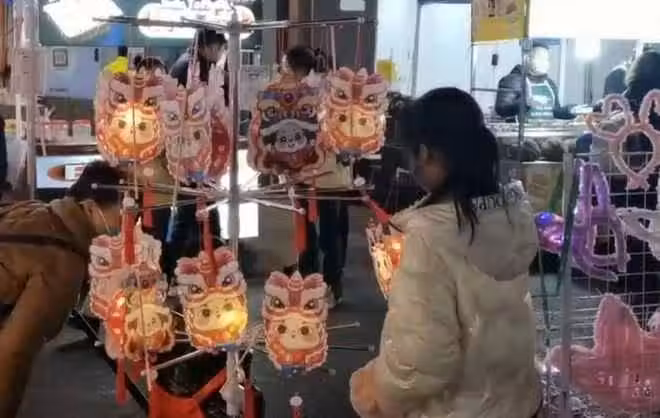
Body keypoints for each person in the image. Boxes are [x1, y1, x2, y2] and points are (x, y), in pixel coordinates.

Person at [350, 88, 541, 418]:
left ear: (424, 153)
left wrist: (375, 392)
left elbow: (421, 360)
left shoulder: (430, 236)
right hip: (520, 403)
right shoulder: (512, 216)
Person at [0, 160, 124, 417]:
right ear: (90, 207)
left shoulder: (37, 210)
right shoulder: (63, 261)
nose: (126, 223)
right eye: (121, 213)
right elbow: (14, 353)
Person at [582, 51, 660, 322]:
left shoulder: (617, 113)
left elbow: (598, 162)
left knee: (634, 256)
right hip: (652, 193)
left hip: (622, 195)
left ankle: (637, 316)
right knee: (649, 255)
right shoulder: (653, 111)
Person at [282, 45, 351, 308]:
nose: (282, 71)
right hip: (316, 176)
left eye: (285, 66)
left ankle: (325, 284)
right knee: (317, 235)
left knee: (322, 235)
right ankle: (318, 283)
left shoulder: (320, 94)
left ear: (295, 68)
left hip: (323, 177)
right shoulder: (317, 91)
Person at [495, 41, 574, 121]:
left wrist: (569, 111)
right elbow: (502, 109)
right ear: (527, 59)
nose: (544, 63)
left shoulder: (550, 83)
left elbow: (554, 111)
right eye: (540, 59)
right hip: (520, 129)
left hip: (546, 128)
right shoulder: (513, 80)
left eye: (546, 59)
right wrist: (525, 103)